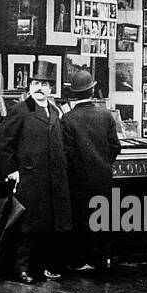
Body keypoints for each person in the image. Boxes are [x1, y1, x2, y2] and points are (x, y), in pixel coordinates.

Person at [0, 60, 72, 283]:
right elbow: (1, 141)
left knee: (47, 227)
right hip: (29, 179)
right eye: (36, 83)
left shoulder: (54, 111)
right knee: (26, 227)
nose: (39, 88)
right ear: (29, 86)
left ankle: (41, 267)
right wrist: (11, 170)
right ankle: (22, 269)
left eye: (44, 84)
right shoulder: (21, 110)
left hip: (52, 180)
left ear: (51, 88)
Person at [61, 69, 121, 273]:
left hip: (77, 181)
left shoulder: (68, 118)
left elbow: (66, 153)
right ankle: (101, 259)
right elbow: (115, 146)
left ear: (74, 93)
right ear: (92, 91)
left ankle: (81, 261)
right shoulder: (106, 115)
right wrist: (103, 163)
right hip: (103, 178)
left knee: (81, 220)